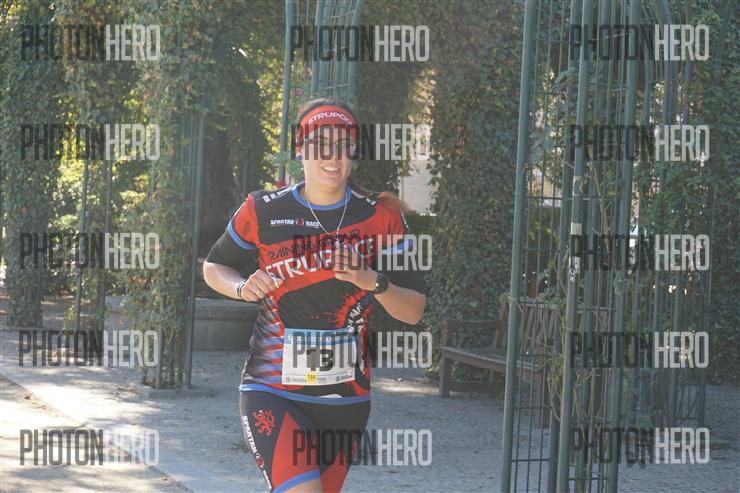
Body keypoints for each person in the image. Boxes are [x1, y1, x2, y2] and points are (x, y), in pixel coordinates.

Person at [203, 98, 427, 493]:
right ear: (300, 150)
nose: (332, 157)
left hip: (346, 401)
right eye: (320, 145)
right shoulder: (263, 210)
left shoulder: (383, 217)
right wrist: (241, 287)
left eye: (343, 146)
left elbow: (414, 311)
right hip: (272, 390)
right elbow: (214, 265)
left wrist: (372, 280)